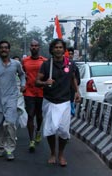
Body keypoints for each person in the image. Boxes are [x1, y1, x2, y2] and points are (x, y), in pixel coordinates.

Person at [35, 39, 81, 167]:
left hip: (65, 101)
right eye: (56, 47)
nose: (58, 49)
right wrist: (45, 83)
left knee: (63, 131)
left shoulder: (70, 64)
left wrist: (77, 92)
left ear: (64, 49)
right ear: (52, 49)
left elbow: (73, 78)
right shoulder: (46, 65)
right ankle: (52, 153)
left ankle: (61, 154)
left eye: (61, 47)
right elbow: (37, 82)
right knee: (51, 129)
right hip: (50, 101)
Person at [0, 40, 26, 161]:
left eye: (6, 48)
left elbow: (22, 75)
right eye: (1, 48)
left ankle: (10, 149)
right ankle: (1, 146)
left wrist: (23, 84)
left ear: (9, 50)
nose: (4, 50)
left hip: (12, 97)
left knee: (10, 123)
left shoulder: (16, 64)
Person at [22, 40, 47, 152]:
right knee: (30, 115)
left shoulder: (44, 61)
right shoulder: (25, 61)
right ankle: (31, 140)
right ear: (30, 48)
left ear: (39, 47)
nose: (34, 47)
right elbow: (21, 74)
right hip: (29, 92)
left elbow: (47, 75)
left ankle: (38, 131)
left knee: (39, 115)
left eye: (36, 46)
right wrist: (23, 84)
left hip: (41, 92)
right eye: (32, 46)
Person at [67, 47, 80, 116]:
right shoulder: (62, 66)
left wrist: (76, 92)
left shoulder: (74, 67)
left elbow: (77, 80)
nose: (70, 55)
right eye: (68, 54)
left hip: (71, 94)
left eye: (71, 54)